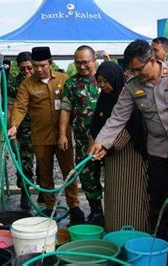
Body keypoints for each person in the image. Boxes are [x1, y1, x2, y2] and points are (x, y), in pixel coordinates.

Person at [89, 40, 168, 244]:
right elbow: (117, 118)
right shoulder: (133, 86)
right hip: (157, 148)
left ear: (152, 60)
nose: (135, 74)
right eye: (131, 70)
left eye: (138, 69)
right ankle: (160, 243)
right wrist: (102, 142)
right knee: (158, 198)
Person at [8, 47, 85, 224]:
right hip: (40, 137)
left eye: (43, 65)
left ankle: (74, 207)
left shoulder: (63, 79)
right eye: (36, 66)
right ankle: (50, 208)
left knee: (69, 171)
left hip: (63, 136)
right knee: (45, 174)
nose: (39, 69)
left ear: (50, 63)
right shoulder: (27, 84)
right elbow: (20, 107)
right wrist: (14, 125)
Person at [90, 61, 150, 232]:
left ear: (115, 79)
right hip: (110, 157)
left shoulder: (127, 95)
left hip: (131, 155)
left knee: (132, 196)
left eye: (105, 81)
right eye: (99, 81)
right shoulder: (104, 98)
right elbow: (97, 125)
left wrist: (107, 146)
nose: (102, 86)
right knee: (115, 197)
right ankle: (114, 231)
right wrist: (96, 143)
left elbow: (130, 126)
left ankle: (137, 232)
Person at [59, 45, 103, 225]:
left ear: (94, 60)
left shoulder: (104, 78)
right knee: (87, 176)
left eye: (85, 62)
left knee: (116, 176)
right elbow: (65, 110)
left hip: (109, 140)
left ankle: (118, 210)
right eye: (77, 63)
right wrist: (62, 134)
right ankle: (96, 211)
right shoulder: (71, 83)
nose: (81, 66)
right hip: (84, 140)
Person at [7, 51, 35, 209]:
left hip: (42, 128)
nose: (27, 72)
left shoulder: (40, 80)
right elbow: (11, 108)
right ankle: (25, 192)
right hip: (23, 129)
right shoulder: (14, 85)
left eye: (29, 68)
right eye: (23, 69)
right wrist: (12, 128)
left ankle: (45, 194)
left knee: (45, 163)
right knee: (25, 162)